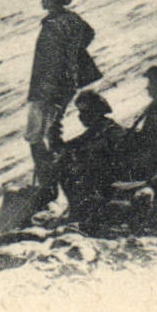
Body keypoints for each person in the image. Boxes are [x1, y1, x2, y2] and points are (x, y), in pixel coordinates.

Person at [23, 0, 101, 210]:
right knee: (52, 131)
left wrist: (46, 88)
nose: (43, 1)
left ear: (50, 0)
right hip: (66, 86)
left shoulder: (53, 26)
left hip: (47, 89)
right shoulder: (73, 20)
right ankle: (56, 181)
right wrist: (75, 56)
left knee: (35, 135)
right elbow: (89, 33)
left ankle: (48, 185)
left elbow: (49, 63)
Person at [55, 90, 131, 224]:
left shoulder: (112, 131)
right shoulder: (96, 130)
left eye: (85, 112)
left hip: (114, 180)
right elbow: (73, 145)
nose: (82, 117)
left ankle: (79, 212)